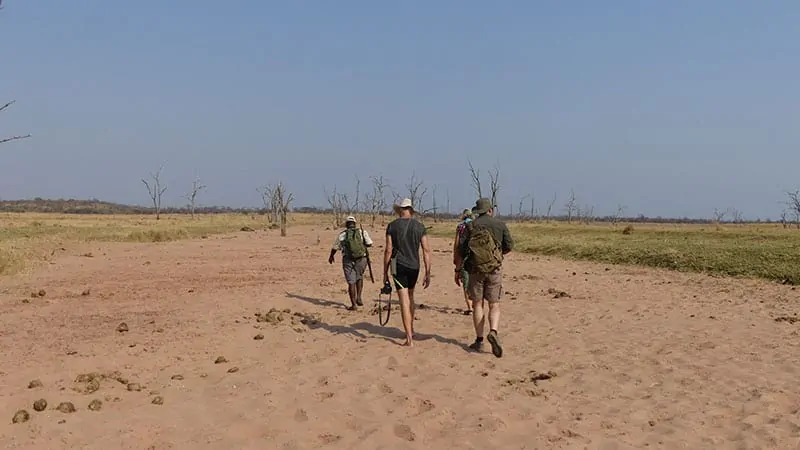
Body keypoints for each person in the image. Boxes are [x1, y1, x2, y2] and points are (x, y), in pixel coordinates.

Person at [454, 198, 514, 358]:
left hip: (475, 269)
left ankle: (479, 340)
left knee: (477, 304)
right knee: (494, 304)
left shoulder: (470, 226)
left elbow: (462, 250)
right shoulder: (500, 225)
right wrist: (496, 255)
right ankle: (493, 331)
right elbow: (509, 246)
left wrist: (458, 269)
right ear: (490, 210)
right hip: (494, 268)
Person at [383, 198, 431, 347]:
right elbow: (426, 250)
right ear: (411, 210)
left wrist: (385, 271)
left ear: (400, 210)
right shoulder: (419, 226)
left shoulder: (392, 226)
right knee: (411, 295)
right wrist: (428, 271)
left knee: (403, 299)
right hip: (414, 266)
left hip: (398, 265)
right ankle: (412, 329)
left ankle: (409, 337)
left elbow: (388, 250)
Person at [329, 215, 373, 310]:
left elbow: (335, 247)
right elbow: (370, 244)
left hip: (348, 260)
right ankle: (359, 297)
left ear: (346, 224)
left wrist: (331, 256)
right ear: (355, 224)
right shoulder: (362, 232)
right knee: (359, 277)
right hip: (362, 259)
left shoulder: (343, 234)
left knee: (351, 282)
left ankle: (353, 305)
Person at [453, 209, 475, 315]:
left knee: (466, 283)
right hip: (476, 258)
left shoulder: (460, 227)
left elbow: (456, 246)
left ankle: (470, 307)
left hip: (464, 258)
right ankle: (477, 305)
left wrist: (456, 261)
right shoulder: (477, 225)